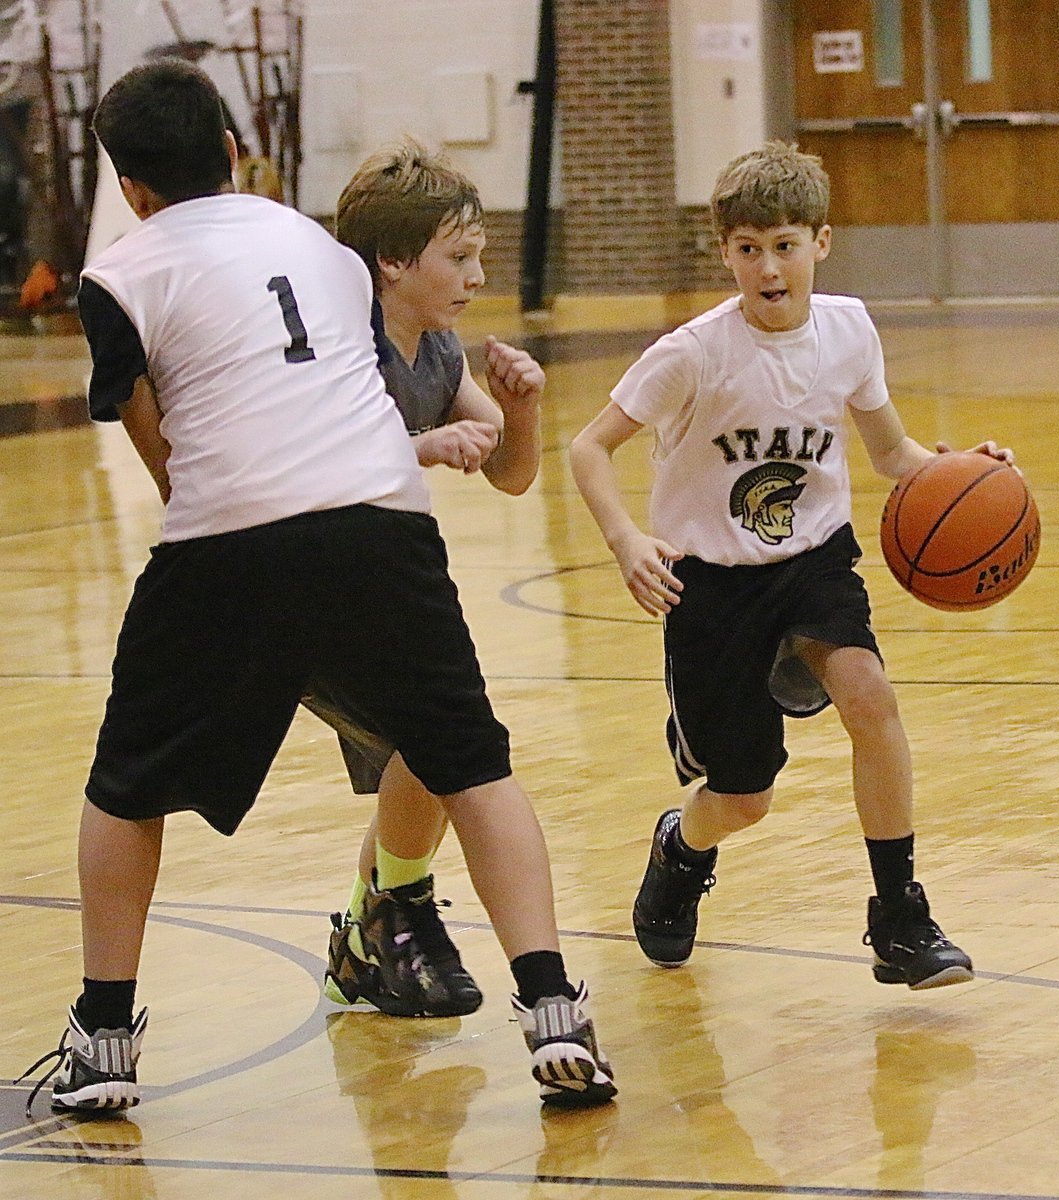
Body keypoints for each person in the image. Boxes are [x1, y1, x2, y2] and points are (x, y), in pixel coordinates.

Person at [18, 59, 614, 1115]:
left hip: (228, 540)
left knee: (124, 789)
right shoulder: (316, 246)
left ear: (132, 190)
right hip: (381, 522)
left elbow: (166, 459)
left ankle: (105, 1035)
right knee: (474, 769)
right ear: (236, 154)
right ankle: (554, 1009)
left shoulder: (116, 274)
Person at [569, 140, 1013, 990]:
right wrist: (628, 539)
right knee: (743, 797)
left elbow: (890, 454)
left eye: (783, 244)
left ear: (821, 241)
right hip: (709, 585)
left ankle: (898, 916)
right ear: (725, 253)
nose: (767, 267)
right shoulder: (693, 352)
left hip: (812, 560)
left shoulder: (847, 328)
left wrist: (964, 474)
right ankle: (681, 849)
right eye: (747, 249)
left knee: (870, 697)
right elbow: (591, 447)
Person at [303, 138, 544, 1019]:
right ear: (391, 263)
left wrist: (521, 409)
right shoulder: (339, 346)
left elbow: (511, 474)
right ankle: (384, 919)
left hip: (380, 586)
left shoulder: (438, 349)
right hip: (298, 590)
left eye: (480, 254)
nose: (478, 275)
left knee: (435, 752)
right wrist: (420, 447)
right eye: (461, 256)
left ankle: (371, 932)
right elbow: (319, 462)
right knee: (438, 747)